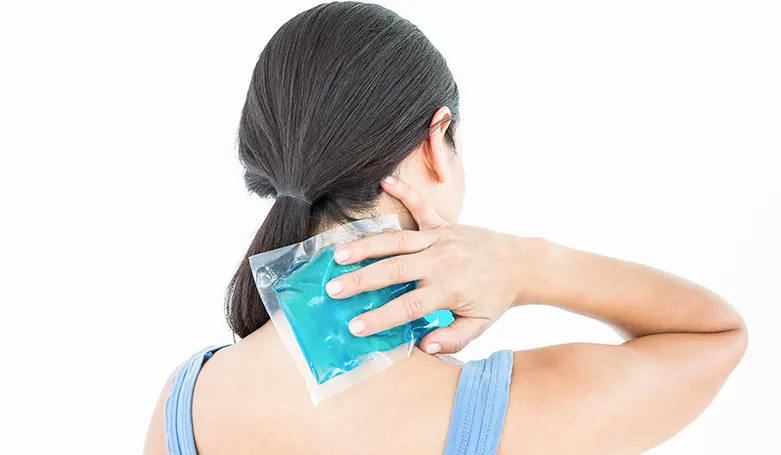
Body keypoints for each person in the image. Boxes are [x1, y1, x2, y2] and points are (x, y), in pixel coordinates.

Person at [144, 2, 747, 454]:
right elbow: (715, 335)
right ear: (437, 140)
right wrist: (526, 266)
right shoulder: (505, 413)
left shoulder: (182, 403)